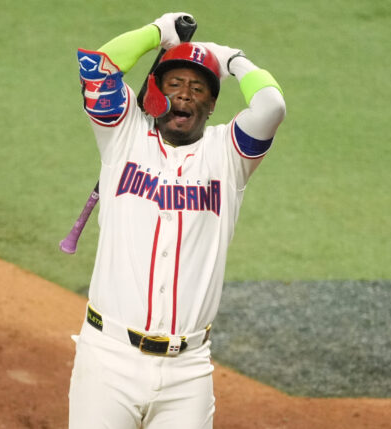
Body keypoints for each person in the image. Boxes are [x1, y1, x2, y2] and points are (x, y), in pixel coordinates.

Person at [68, 12, 286, 429]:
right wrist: (156, 33)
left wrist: (233, 59)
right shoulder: (123, 135)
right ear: (155, 94)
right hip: (107, 360)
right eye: (175, 84)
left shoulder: (230, 155)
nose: (185, 95)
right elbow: (98, 68)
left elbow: (271, 104)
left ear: (212, 103)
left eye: (197, 87)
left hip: (188, 372)